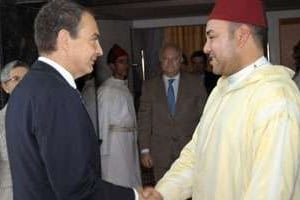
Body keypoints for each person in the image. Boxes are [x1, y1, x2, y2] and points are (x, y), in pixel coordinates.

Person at [142, 0, 300, 199]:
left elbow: (270, 191)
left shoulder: (276, 99)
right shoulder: (221, 91)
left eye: (212, 37)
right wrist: (162, 193)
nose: (205, 47)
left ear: (242, 36)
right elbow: (195, 157)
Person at [5, 1, 142, 200]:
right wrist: (135, 196)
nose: (100, 50)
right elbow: (77, 189)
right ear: (65, 40)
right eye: (93, 39)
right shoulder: (57, 94)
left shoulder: (26, 88)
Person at [138, 43, 207, 182]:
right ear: (160, 61)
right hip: (160, 154)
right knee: (163, 193)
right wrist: (144, 150)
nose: (170, 63)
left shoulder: (196, 84)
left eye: (174, 59)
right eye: (166, 59)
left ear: (181, 60)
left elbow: (205, 118)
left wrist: (205, 148)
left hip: (189, 153)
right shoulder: (149, 87)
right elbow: (144, 120)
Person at [97, 44, 142, 188]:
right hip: (114, 146)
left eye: (127, 61)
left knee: (131, 179)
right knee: (117, 181)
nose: (126, 65)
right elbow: (102, 121)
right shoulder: (106, 90)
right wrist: (103, 152)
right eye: (121, 62)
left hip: (128, 142)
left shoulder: (123, 86)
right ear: (112, 66)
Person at [0, 60, 29, 200]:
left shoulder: (44, 116)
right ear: (5, 86)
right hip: (10, 192)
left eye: (27, 79)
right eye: (16, 79)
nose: (23, 84)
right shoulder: (0, 120)